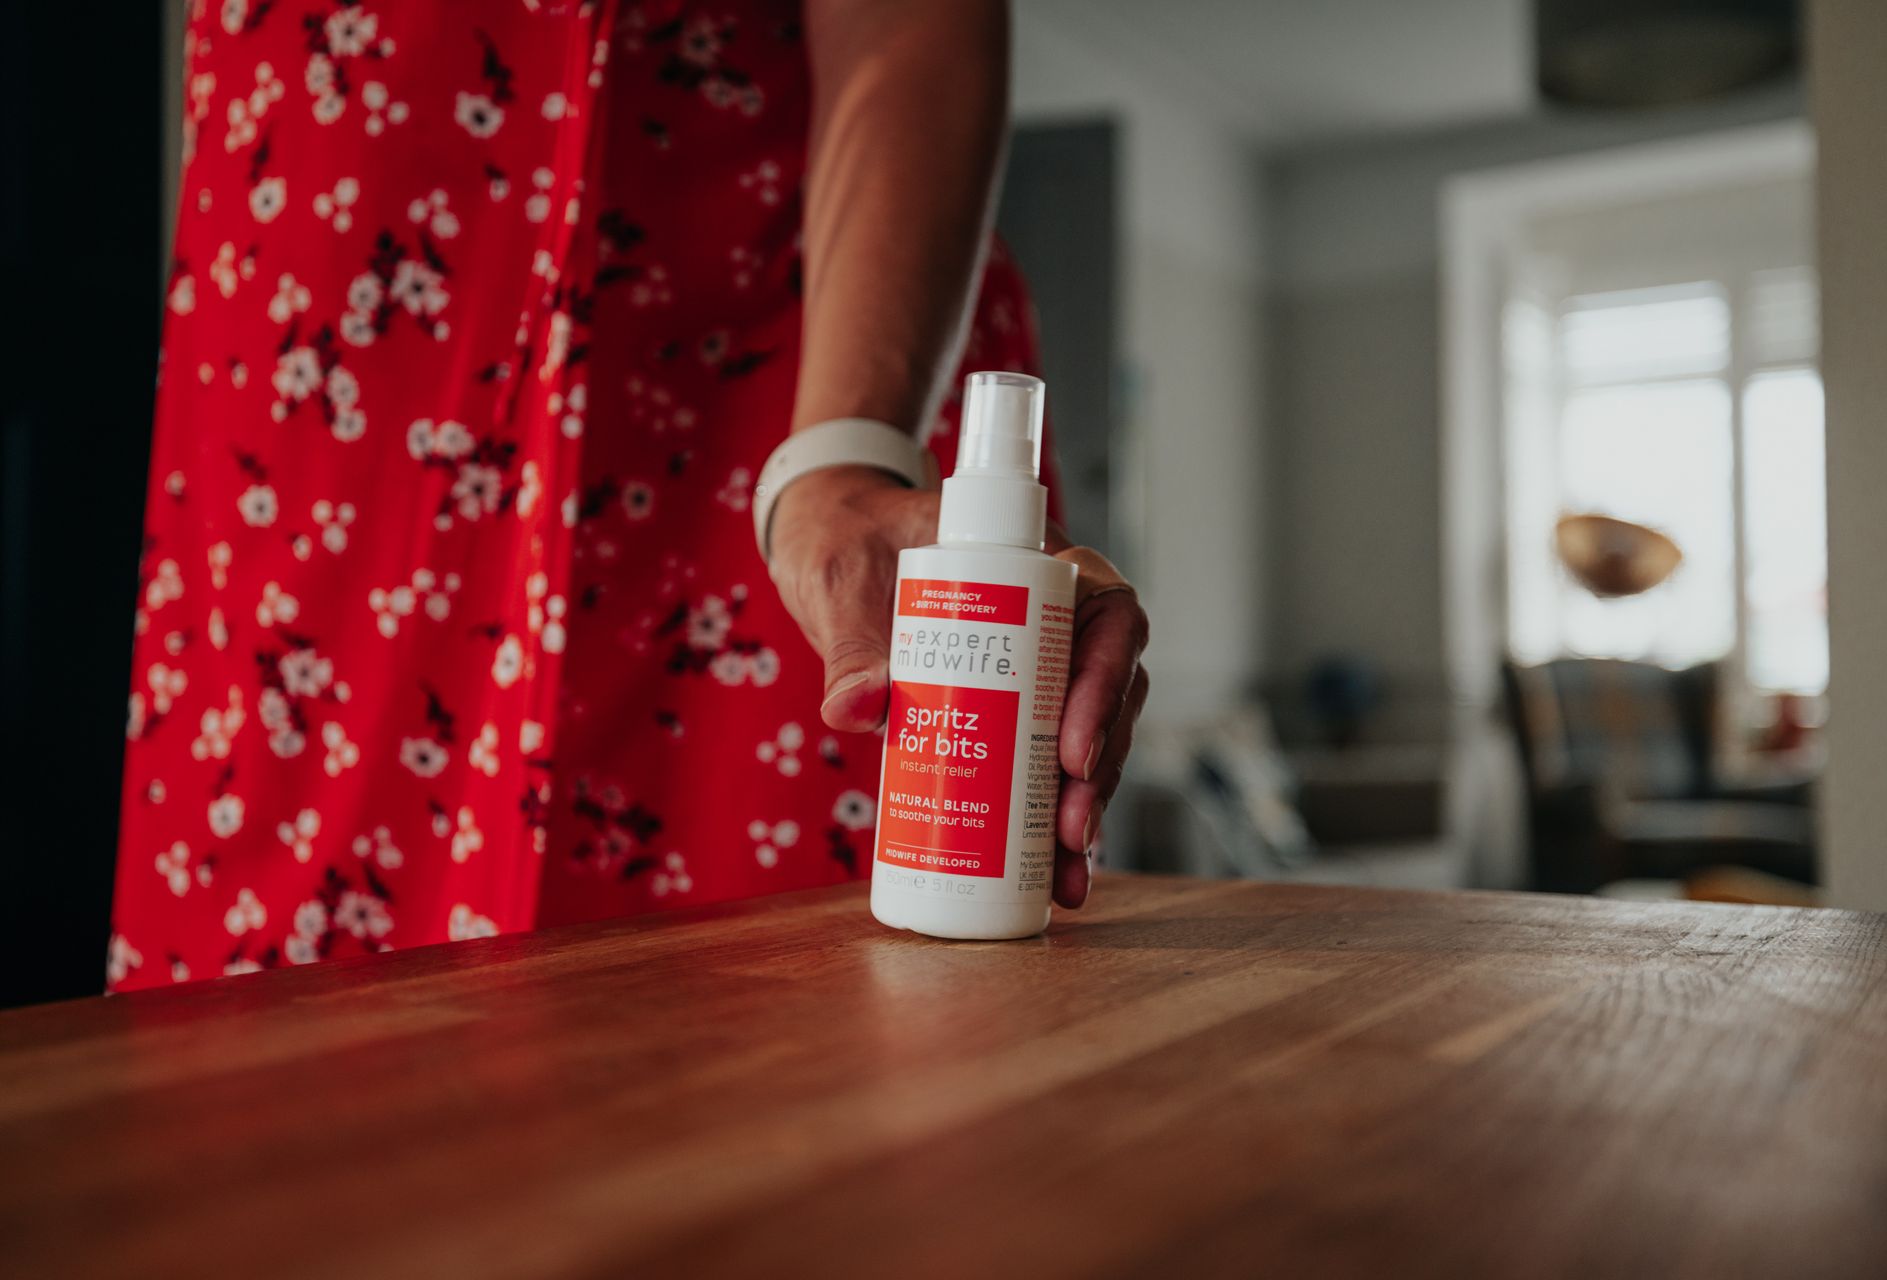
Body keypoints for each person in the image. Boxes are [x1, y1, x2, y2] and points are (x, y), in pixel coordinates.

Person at [108, 0, 1148, 991]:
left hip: (769, 382)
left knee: (785, 1040)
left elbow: (907, 24)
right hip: (316, 410)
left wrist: (840, 463)